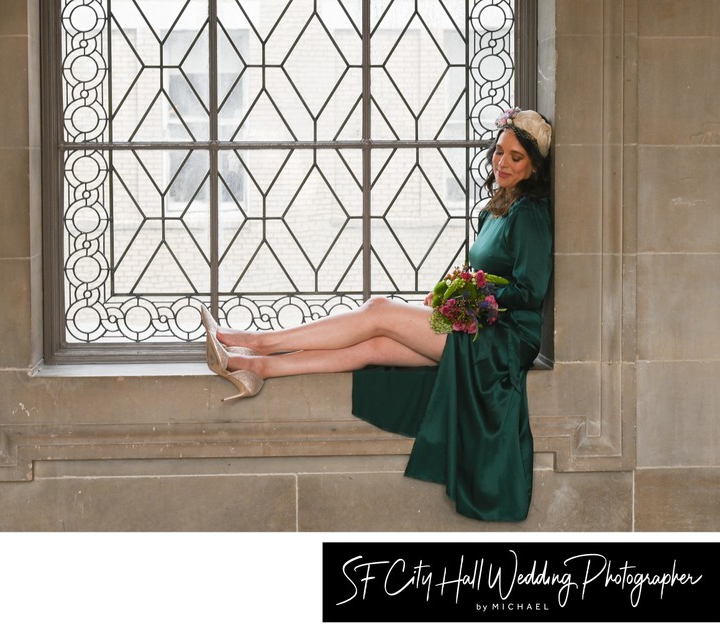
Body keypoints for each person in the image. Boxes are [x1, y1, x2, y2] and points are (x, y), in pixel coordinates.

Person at [201, 107, 553, 521]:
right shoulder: (495, 209)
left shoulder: (529, 213)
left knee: (378, 310)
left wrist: (470, 293)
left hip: (505, 339)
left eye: (516, 158)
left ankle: (256, 339)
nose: (502, 162)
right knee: (374, 345)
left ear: (533, 167)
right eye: (500, 152)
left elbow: (530, 291)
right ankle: (255, 367)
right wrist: (454, 290)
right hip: (479, 322)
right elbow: (486, 273)